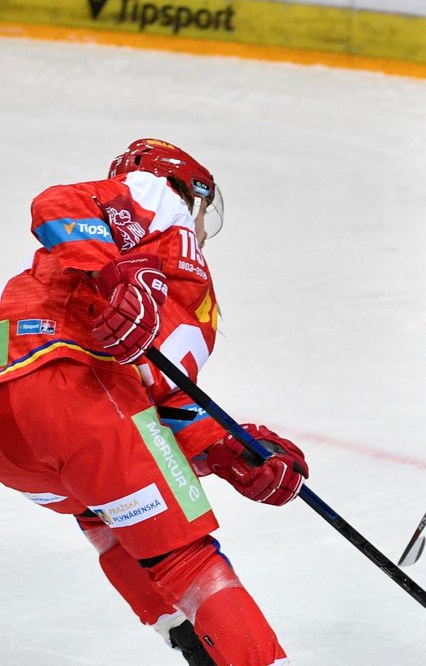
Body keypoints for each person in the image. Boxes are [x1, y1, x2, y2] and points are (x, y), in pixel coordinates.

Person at [0, 139, 309, 666]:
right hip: (67, 381)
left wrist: (233, 447)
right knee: (184, 556)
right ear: (191, 191)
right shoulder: (156, 199)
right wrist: (118, 271)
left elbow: (155, 408)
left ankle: (187, 637)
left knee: (108, 516)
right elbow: (57, 203)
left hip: (21, 442)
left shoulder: (181, 294)